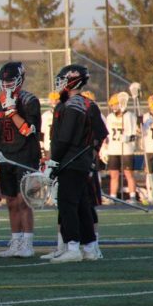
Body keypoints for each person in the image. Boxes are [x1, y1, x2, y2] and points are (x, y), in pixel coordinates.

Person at [48, 65, 101, 263]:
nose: (59, 83)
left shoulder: (72, 106)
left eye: (63, 79)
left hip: (70, 161)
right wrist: (91, 155)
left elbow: (64, 138)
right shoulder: (89, 104)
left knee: (67, 204)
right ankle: (89, 247)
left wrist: (54, 162)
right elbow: (101, 134)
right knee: (82, 205)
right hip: (83, 161)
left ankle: (72, 246)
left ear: (73, 81)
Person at [0, 62, 41, 258]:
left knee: (24, 201)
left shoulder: (29, 100)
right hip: (5, 155)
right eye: (4, 81)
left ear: (20, 79)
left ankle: (27, 244)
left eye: (10, 80)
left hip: (26, 155)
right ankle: (16, 242)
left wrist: (12, 112)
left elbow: (29, 130)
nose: (7, 84)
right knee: (10, 201)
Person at [104, 92, 138, 203]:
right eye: (112, 105)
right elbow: (107, 135)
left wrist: (127, 138)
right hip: (113, 149)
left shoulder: (129, 116)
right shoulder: (109, 117)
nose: (113, 107)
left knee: (129, 174)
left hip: (126, 149)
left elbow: (135, 135)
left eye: (115, 104)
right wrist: (105, 148)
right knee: (114, 174)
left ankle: (132, 196)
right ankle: (113, 196)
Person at [40, 91, 60, 162]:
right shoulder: (45, 115)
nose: (54, 102)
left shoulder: (64, 114)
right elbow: (41, 133)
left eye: (56, 99)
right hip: (47, 147)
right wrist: (42, 148)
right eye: (52, 100)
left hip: (59, 147)